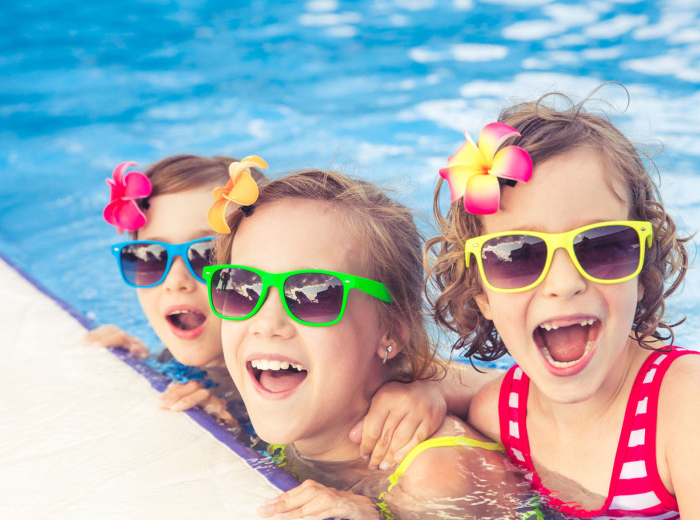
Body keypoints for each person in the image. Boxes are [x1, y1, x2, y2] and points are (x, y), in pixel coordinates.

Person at [426, 89, 700, 519]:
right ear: (481, 294)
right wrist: (416, 393)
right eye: (518, 255)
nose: (564, 283)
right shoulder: (500, 419)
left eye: (602, 247)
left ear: (644, 273)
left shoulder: (687, 400)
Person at [207, 167, 531, 519]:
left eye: (313, 293)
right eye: (242, 287)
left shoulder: (435, 475)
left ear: (391, 330)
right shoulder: (300, 408)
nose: (266, 323)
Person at [84, 154, 267, 429]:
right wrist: (141, 362)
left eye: (208, 254)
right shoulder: (170, 361)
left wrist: (237, 428)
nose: (175, 281)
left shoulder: (288, 381)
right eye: (150, 256)